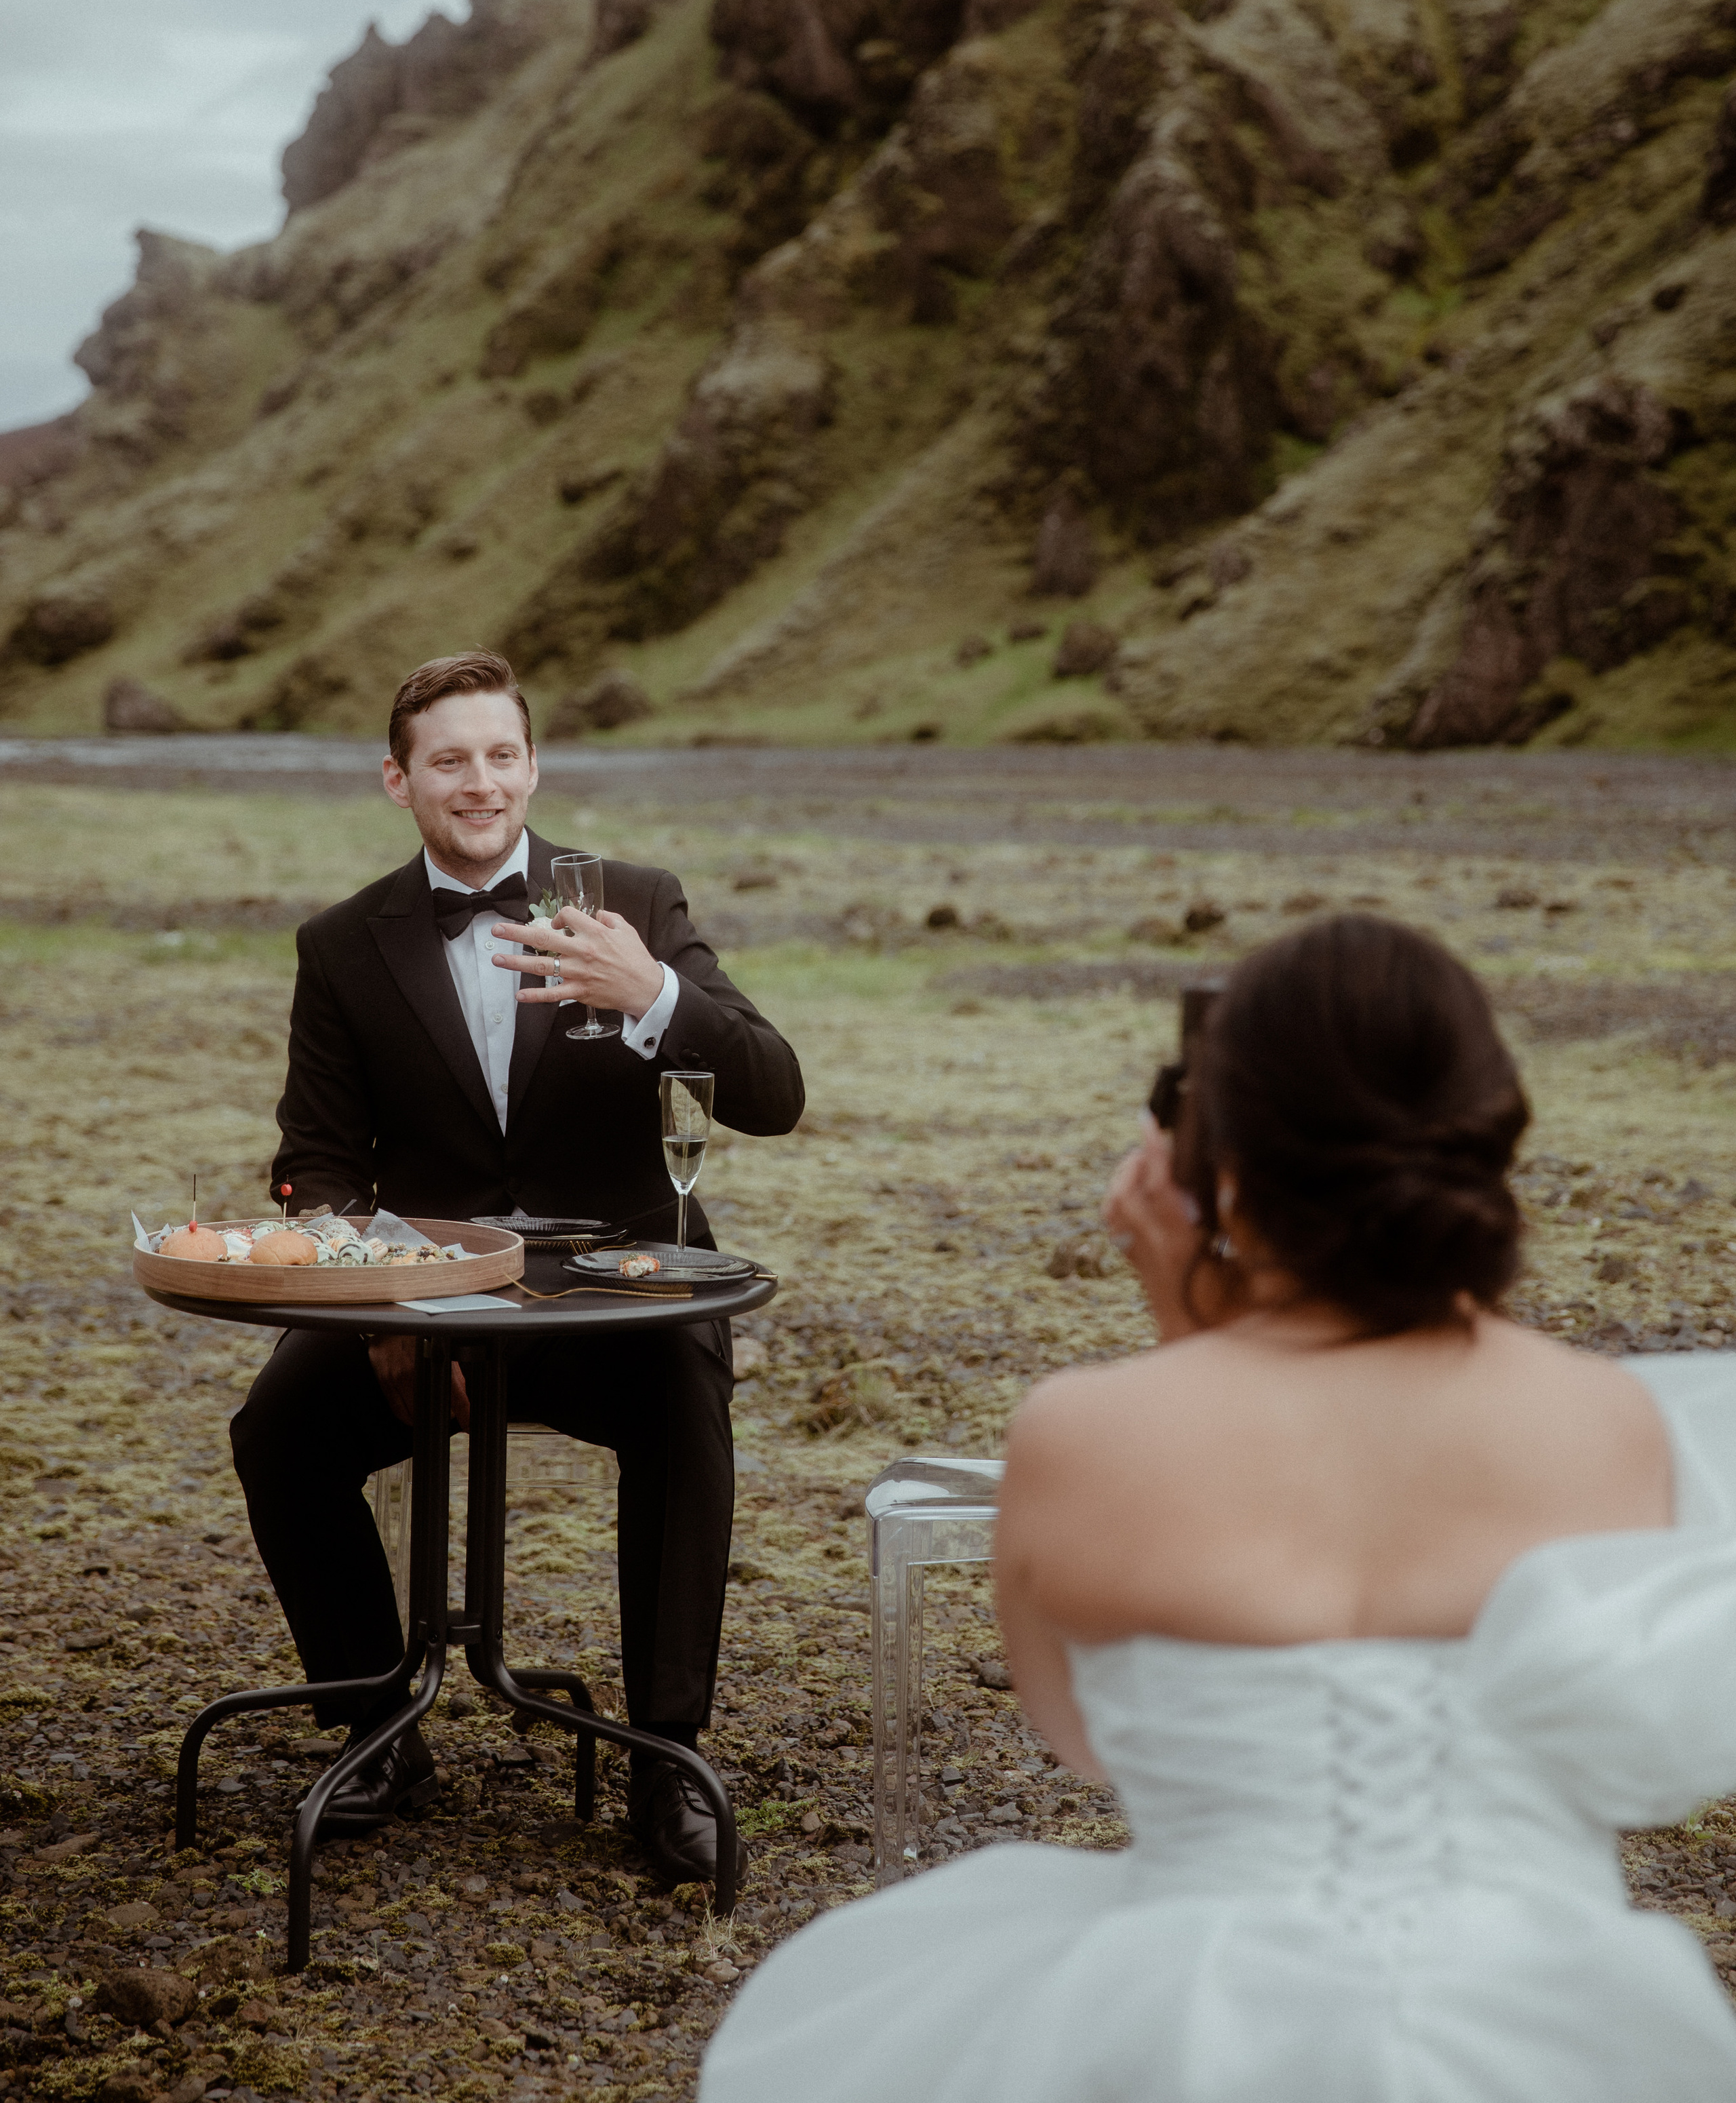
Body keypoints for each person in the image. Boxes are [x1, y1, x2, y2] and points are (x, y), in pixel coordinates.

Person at [701, 915, 1736, 2100]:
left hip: (1198, 2014)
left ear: (1212, 1155)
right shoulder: (1610, 1422)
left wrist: (1191, 1324)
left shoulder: (1086, 1434)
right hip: (1565, 2023)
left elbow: (1092, 1739)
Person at [229, 648, 804, 1883]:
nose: (479, 783)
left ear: (533, 767)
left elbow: (775, 1092)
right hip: (426, 1324)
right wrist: (381, 1298)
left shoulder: (636, 903)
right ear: (399, 780)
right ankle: (372, 1722)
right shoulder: (341, 947)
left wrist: (652, 996)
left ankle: (665, 1756)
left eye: (501, 756)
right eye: (449, 761)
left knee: (689, 1400)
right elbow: (313, 1168)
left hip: (611, 1318)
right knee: (276, 1427)